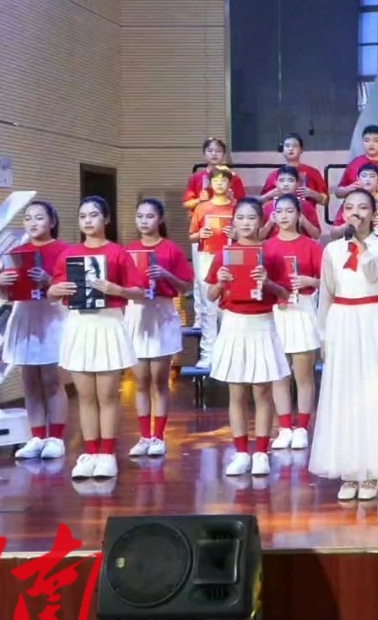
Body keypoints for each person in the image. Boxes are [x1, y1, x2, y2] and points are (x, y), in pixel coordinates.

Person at [312, 189, 378, 500]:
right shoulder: (332, 251)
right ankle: (348, 471)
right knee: (344, 395)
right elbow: (326, 293)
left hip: (371, 321)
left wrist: (360, 244)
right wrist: (323, 335)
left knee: (371, 394)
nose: (356, 212)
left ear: (373, 213)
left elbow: (372, 274)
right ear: (343, 213)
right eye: (350, 207)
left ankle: (370, 472)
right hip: (342, 321)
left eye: (363, 207)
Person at [49, 197, 141, 480]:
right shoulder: (69, 254)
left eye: (93, 215)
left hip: (108, 324)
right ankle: (90, 452)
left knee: (107, 396)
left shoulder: (117, 253)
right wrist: (56, 290)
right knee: (85, 397)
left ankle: (107, 454)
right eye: (83, 216)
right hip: (80, 324)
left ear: (106, 219)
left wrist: (117, 289)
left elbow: (139, 292)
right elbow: (52, 291)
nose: (88, 221)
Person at [205, 198, 292, 477]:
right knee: (237, 392)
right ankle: (241, 452)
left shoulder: (271, 255)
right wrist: (220, 282)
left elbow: (285, 294)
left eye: (251, 217)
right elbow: (210, 295)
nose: (245, 223)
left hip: (262, 324)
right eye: (240, 217)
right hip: (233, 325)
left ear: (261, 222)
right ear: (233, 221)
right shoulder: (224, 254)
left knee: (262, 392)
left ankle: (261, 453)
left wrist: (267, 282)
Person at [0, 201, 69, 461]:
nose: (33, 223)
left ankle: (56, 438)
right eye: (28, 218)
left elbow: (71, 288)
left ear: (52, 221)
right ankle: (36, 436)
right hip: (25, 314)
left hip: (51, 315)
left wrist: (49, 281)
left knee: (51, 379)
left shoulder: (64, 251)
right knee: (29, 381)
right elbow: (5, 296)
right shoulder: (16, 253)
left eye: (39, 217)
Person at [125, 199, 194, 458]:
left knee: (159, 380)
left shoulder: (170, 249)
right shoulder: (129, 250)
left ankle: (158, 436)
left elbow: (185, 287)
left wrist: (166, 275)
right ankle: (144, 436)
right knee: (140, 381)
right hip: (136, 311)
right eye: (140, 216)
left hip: (162, 311)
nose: (144, 221)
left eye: (150, 216)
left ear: (160, 219)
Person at [266, 195, 323, 450]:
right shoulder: (266, 247)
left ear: (299, 215)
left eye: (290, 211)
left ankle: (302, 427)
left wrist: (310, 282)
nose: (284, 216)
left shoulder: (311, 246)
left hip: (303, 309)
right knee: (278, 374)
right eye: (279, 211)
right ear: (273, 216)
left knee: (303, 374)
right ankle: (284, 427)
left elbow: (330, 282)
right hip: (276, 313)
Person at [188, 166, 237, 370]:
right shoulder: (202, 208)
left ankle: (229, 353)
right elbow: (192, 235)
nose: (219, 183)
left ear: (229, 183)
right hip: (207, 256)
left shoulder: (236, 207)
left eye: (223, 180)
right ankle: (208, 353)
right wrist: (200, 235)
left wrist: (235, 234)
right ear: (210, 183)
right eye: (215, 180)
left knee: (229, 307)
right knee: (209, 307)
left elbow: (249, 233)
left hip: (232, 257)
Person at [330, 162, 378, 241]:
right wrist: (347, 225)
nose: (367, 179)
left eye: (372, 176)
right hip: (354, 246)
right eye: (364, 176)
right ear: (358, 179)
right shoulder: (350, 203)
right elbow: (334, 234)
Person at [261, 132, 331, 207]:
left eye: (294, 146)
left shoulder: (313, 172)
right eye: (287, 146)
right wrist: (269, 195)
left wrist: (314, 194)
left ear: (301, 150)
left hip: (307, 213)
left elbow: (326, 201)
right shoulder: (273, 175)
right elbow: (260, 201)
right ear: (283, 150)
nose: (290, 149)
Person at [183, 137, 246, 212]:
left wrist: (232, 199)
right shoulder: (195, 178)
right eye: (210, 151)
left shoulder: (234, 177)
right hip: (202, 216)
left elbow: (244, 204)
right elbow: (186, 204)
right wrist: (199, 200)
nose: (214, 154)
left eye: (218, 151)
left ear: (224, 155)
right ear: (204, 154)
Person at [263, 166, 323, 238]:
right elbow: (259, 236)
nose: (286, 184)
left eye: (290, 180)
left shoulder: (306, 206)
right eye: (282, 180)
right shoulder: (267, 207)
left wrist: (304, 221)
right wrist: (269, 223)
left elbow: (317, 235)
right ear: (276, 183)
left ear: (298, 183)